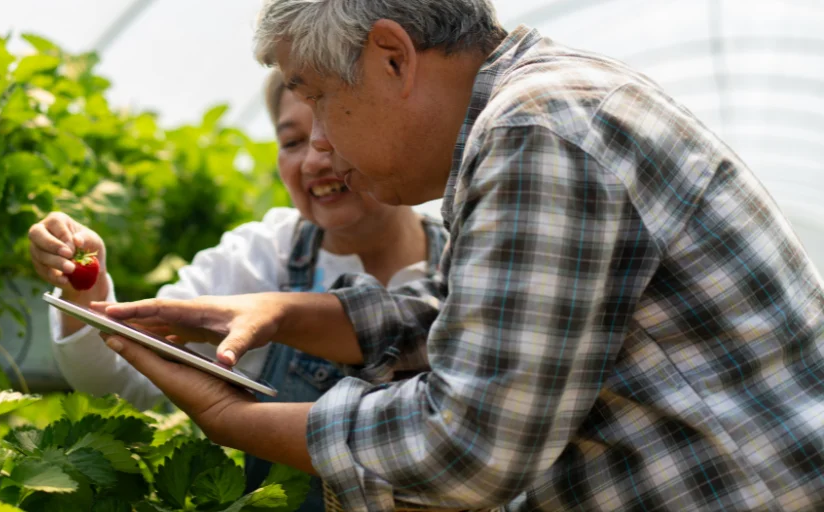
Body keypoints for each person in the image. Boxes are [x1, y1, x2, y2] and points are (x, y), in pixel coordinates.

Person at [93, 1, 824, 511]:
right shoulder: (530, 109)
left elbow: (468, 444)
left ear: (391, 57)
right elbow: (473, 319)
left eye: (318, 96)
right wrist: (284, 313)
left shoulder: (535, 131)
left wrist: (230, 416)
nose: (322, 140)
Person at [28, 69, 448, 512]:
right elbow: (117, 380)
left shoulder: (470, 254)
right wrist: (85, 289)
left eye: (333, 129)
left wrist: (231, 418)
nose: (312, 161)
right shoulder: (261, 257)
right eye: (291, 142)